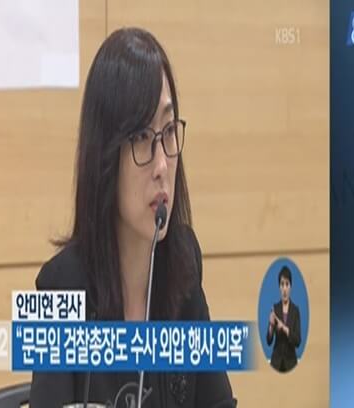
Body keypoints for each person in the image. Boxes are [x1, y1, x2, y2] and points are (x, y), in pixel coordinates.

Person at [29, 27, 235, 406]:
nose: (162, 165)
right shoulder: (58, 288)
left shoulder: (183, 263)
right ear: (105, 157)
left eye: (168, 131)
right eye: (141, 138)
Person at [266, 266, 302, 373]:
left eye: (287, 284)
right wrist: (271, 326)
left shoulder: (295, 310)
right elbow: (268, 341)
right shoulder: (275, 308)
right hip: (276, 363)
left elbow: (297, 341)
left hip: (291, 363)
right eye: (282, 284)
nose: (284, 289)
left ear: (291, 287)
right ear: (279, 287)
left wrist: (285, 329)